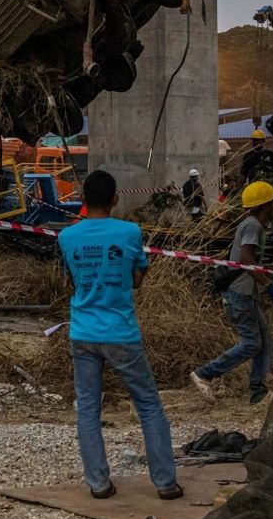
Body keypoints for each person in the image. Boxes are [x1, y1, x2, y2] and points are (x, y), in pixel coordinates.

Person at [58, 170, 184, 501]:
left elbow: (70, 281)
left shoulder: (67, 237)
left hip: (82, 332)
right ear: (115, 199)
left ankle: (99, 484)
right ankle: (165, 483)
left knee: (87, 406)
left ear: (83, 200)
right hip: (121, 333)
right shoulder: (130, 232)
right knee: (147, 403)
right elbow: (137, 281)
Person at [192, 180, 273, 405]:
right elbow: (246, 259)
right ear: (266, 205)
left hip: (245, 293)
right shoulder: (252, 226)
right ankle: (205, 373)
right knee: (252, 343)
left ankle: (257, 391)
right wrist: (269, 285)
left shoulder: (252, 225)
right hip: (239, 294)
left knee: (264, 341)